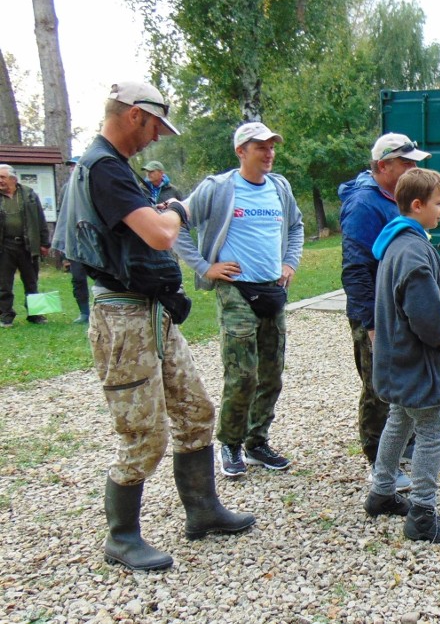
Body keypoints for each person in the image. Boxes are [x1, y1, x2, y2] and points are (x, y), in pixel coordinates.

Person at [52, 81, 255, 571]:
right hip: (122, 320)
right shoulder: (104, 169)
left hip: (150, 312)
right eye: (156, 127)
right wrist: (181, 209)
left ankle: (203, 512)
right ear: (135, 116)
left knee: (196, 411)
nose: (155, 139)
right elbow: (162, 235)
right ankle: (121, 537)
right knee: (142, 434)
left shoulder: (114, 168)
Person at [175, 121, 304, 478]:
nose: (269, 153)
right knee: (242, 374)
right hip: (236, 290)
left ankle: (257, 442)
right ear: (241, 151)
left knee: (271, 373)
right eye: (260, 146)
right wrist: (204, 267)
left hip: (273, 289)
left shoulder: (280, 187)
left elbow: (296, 226)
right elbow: (176, 224)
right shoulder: (218, 188)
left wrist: (290, 261)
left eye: (272, 146)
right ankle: (230, 444)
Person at [364, 167, 440, 544]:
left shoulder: (394, 243)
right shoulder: (413, 252)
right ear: (418, 204)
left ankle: (382, 492)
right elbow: (428, 321)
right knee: (432, 428)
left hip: (397, 362)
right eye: (439, 204)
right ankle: (423, 514)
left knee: (399, 418)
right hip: (418, 363)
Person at [339, 133, 431, 491]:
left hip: (397, 309)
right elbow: (356, 269)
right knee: (378, 384)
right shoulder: (365, 202)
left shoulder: (394, 198)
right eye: (406, 164)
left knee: (399, 381)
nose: (414, 169)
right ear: (383, 166)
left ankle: (398, 448)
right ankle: (379, 463)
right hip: (376, 313)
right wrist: (371, 323)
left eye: (415, 163)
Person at [0, 164, 51, 327]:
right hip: (4, 246)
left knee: (32, 282)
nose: (0, 181)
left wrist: (44, 243)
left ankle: (35, 314)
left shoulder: (28, 194)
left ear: (13, 179)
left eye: (2, 177)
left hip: (27, 245)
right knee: (4, 284)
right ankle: (5, 316)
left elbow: (40, 219)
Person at [57, 157, 91, 324]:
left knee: (103, 279)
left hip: (93, 241)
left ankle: (104, 311)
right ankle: (84, 312)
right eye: (70, 166)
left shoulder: (91, 185)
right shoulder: (65, 189)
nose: (72, 169)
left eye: (74, 166)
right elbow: (62, 217)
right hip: (74, 242)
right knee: (77, 278)